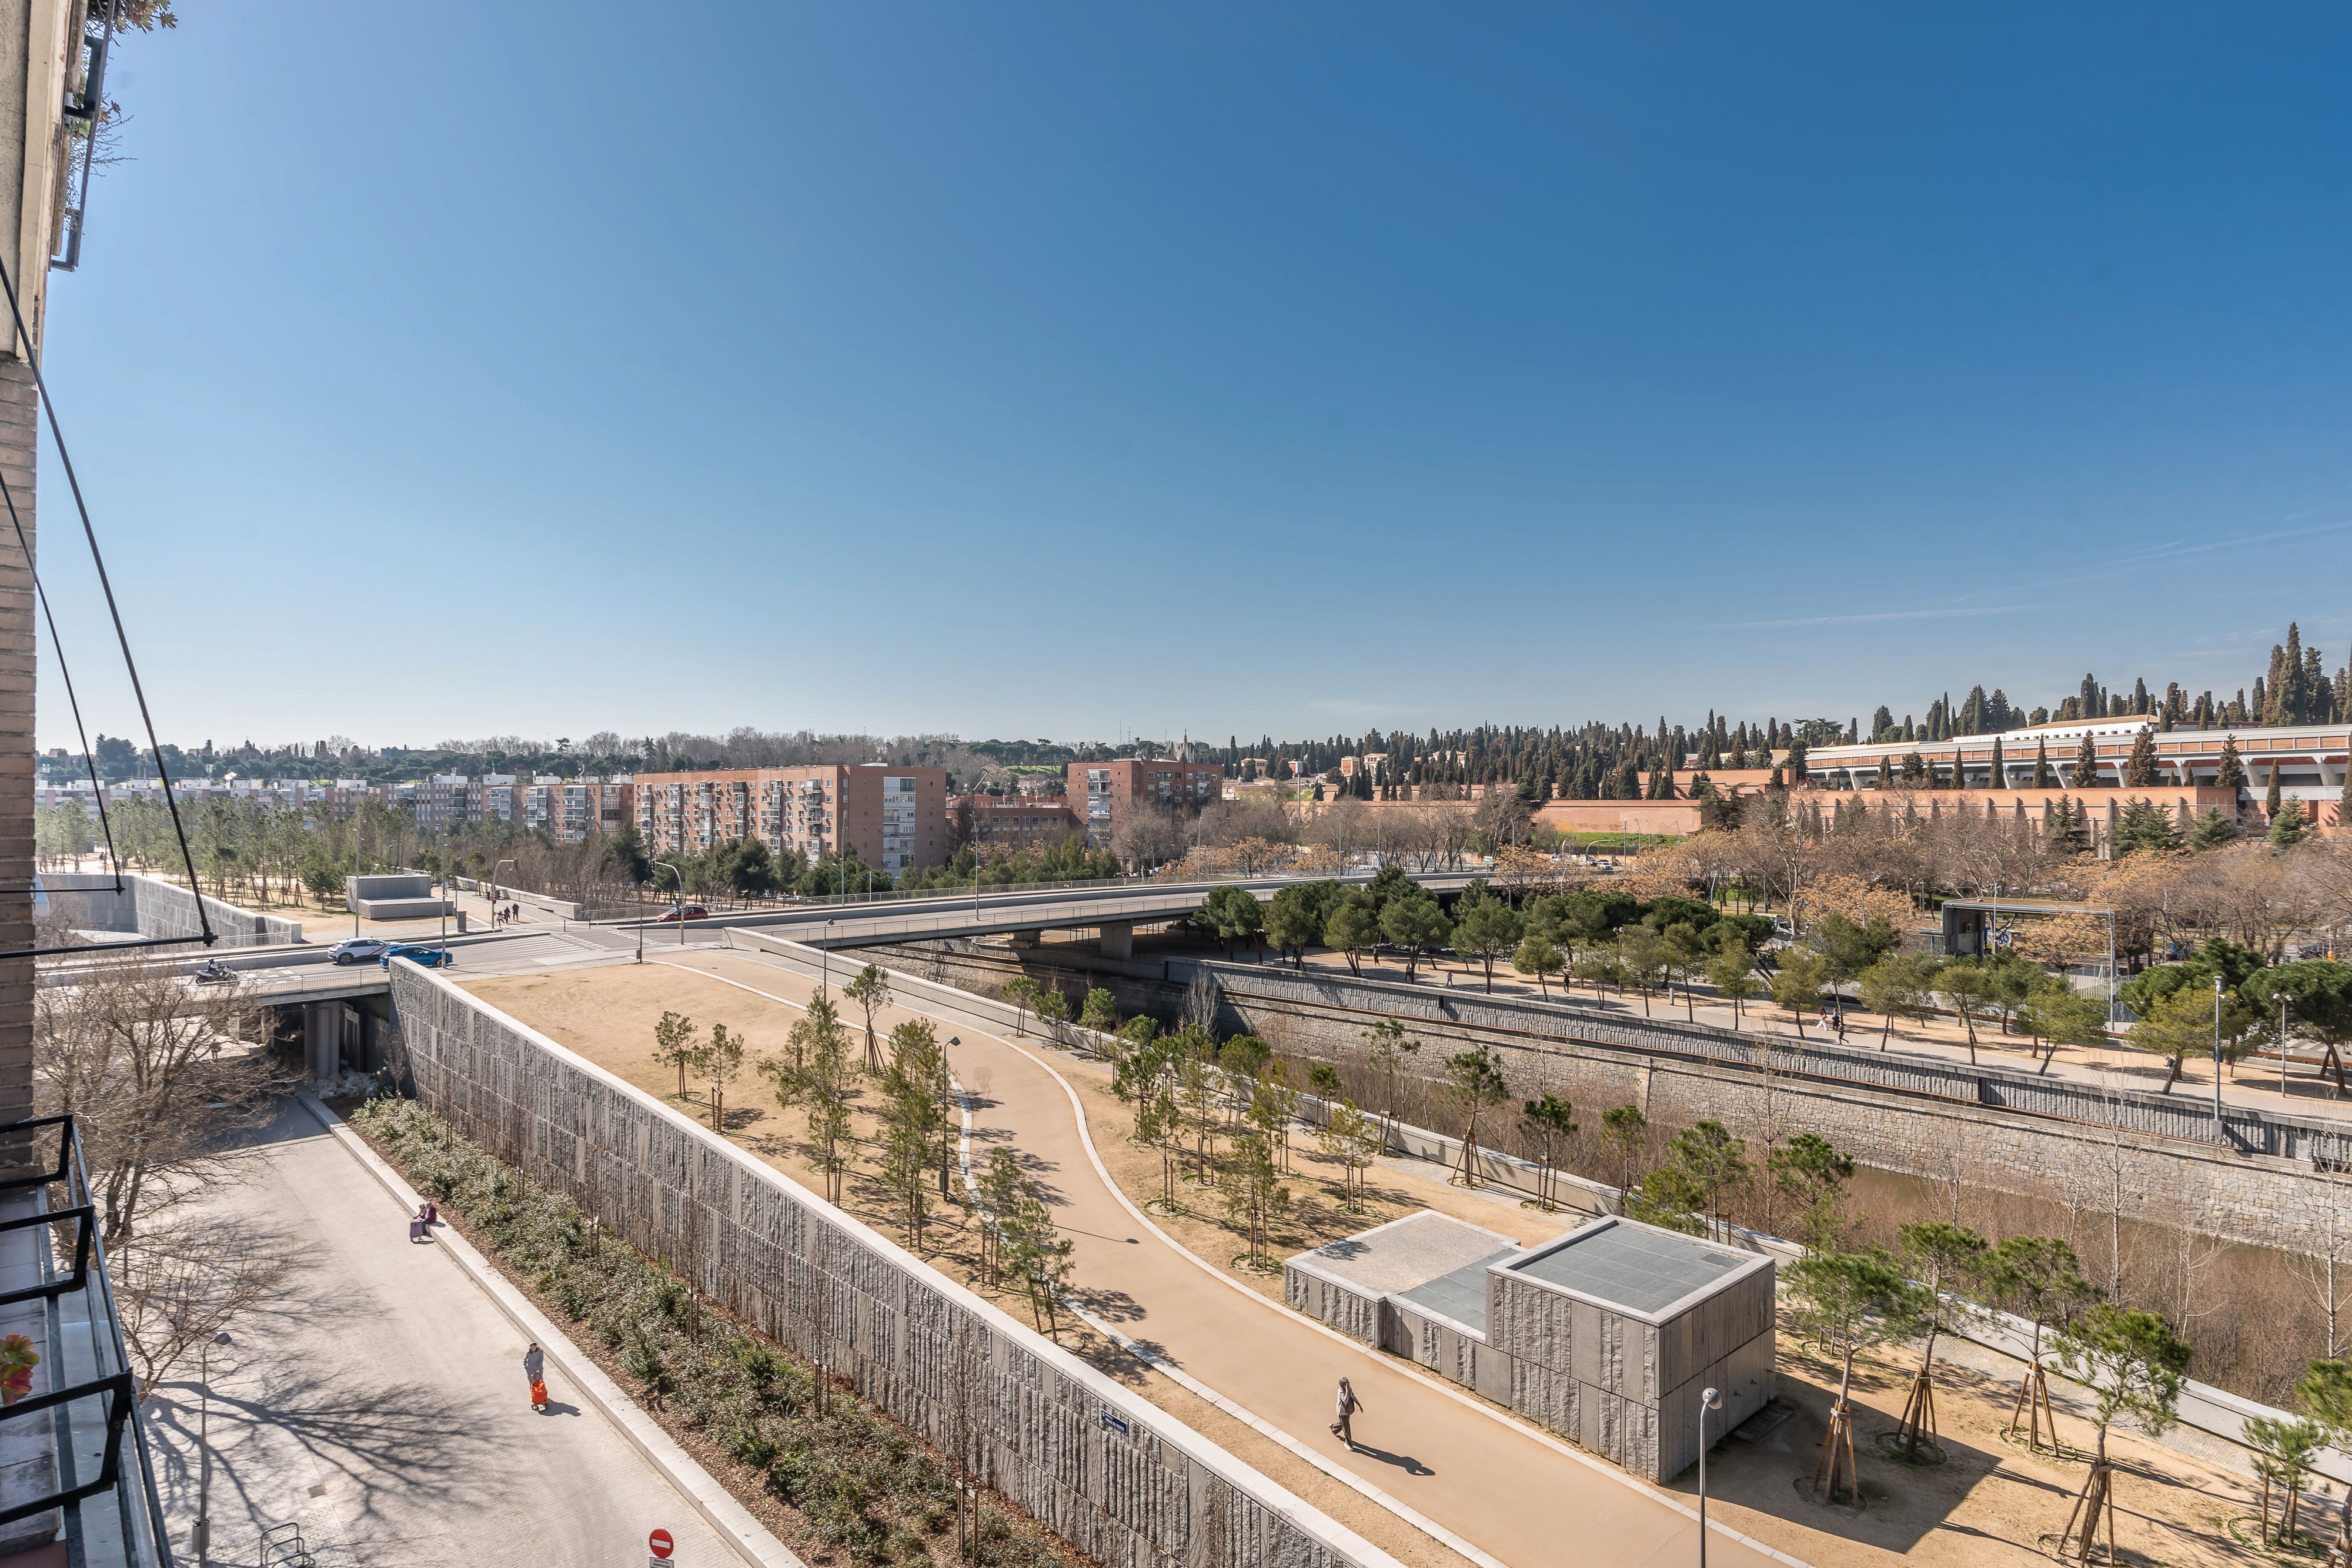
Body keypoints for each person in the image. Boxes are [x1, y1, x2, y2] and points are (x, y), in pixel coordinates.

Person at [1329, 1375, 1364, 1450]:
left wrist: (1359, 1405)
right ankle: (1347, 1443)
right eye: (1347, 1383)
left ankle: (1334, 1427)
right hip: (1342, 1412)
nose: (1349, 1384)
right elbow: (1345, 1401)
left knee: (1345, 1424)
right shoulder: (1341, 1391)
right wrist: (1347, 1391)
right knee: (1347, 1427)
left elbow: (1353, 1396)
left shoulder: (1349, 1389)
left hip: (1347, 1411)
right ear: (1343, 1385)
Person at [524, 1342, 547, 1412]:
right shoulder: (529, 1353)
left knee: (539, 1382)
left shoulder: (540, 1352)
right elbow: (525, 1360)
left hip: (538, 1369)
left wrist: (538, 1367)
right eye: (532, 1348)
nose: (533, 1349)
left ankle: (541, 1395)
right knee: (532, 1383)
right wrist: (526, 1367)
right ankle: (534, 1396)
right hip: (531, 1369)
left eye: (534, 1347)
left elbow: (541, 1360)